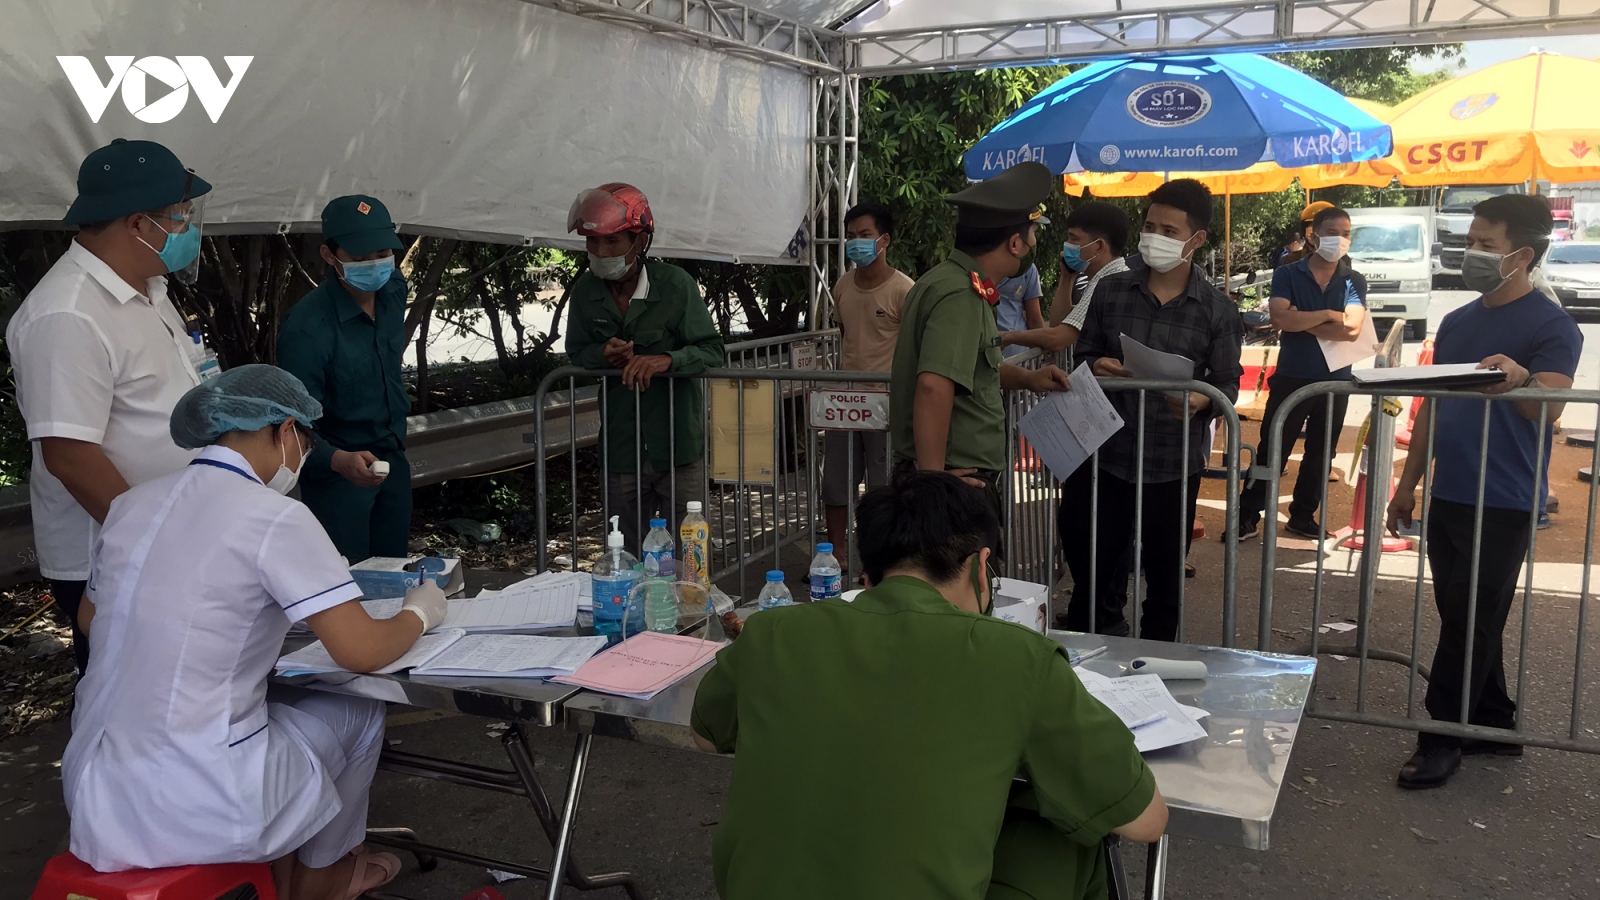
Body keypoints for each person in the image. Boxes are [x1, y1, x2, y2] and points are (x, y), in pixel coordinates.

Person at [62, 365, 450, 899]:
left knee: (273, 712)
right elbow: (361, 651)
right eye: (305, 442)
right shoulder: (275, 516)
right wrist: (421, 613)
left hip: (97, 789)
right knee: (357, 711)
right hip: (200, 798)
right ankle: (324, 878)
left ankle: (283, 875)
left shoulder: (132, 505)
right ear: (285, 429)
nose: (301, 455)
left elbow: (92, 619)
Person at [691, 470, 1167, 899]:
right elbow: (1145, 820)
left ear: (867, 577)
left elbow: (706, 736)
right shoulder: (1020, 657)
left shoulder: (773, 631)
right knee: (1070, 838)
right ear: (980, 567)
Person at [1385, 194, 1583, 790]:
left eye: (1485, 244)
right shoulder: (1457, 322)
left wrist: (1521, 380)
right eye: (1469, 241)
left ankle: (1441, 739)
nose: (1470, 252)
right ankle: (1494, 720)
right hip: (1450, 492)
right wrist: (1407, 485)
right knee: (1465, 614)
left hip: (1504, 500)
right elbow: (1432, 408)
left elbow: (1548, 410)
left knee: (1469, 620)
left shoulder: (1552, 326)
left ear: (1522, 256)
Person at [6, 138, 214, 675]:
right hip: (118, 556)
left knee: (183, 691)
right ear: (139, 224)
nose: (188, 228)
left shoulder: (149, 288)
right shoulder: (67, 315)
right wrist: (155, 542)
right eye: (180, 216)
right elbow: (71, 457)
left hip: (174, 539)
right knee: (131, 699)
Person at [1065, 179, 1244, 641]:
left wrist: (1203, 398)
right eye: (1149, 226)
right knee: (1094, 576)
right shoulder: (1110, 291)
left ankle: (1159, 669)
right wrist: (1097, 365)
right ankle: (1087, 665)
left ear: (1196, 239)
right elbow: (1084, 353)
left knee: (1165, 583)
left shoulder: (1217, 310)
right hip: (1107, 456)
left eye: (1169, 230)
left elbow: (1228, 381)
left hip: (1172, 464)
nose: (1154, 237)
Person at [889, 161, 1073, 556]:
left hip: (948, 477)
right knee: (964, 589)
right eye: (1032, 234)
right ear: (1014, 243)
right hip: (954, 483)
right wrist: (934, 487)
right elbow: (933, 385)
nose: (1033, 244)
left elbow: (969, 369)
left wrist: (1028, 379)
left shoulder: (947, 281)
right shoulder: (961, 295)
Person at [564, 183, 724, 552]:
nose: (601, 252)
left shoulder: (675, 286)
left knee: (689, 554)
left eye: (612, 241)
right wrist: (602, 353)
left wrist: (667, 360)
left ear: (640, 241)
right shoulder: (585, 292)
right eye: (593, 242)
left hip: (678, 446)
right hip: (622, 447)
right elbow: (577, 351)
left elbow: (712, 350)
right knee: (624, 552)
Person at [277, 195, 412, 562]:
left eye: (382, 253)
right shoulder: (306, 329)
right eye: (360, 258)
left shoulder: (393, 291)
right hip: (338, 478)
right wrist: (336, 460)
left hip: (392, 462)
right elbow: (293, 424)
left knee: (394, 574)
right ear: (329, 255)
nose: (375, 265)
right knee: (344, 580)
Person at [1235, 205, 1368, 541]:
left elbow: (1353, 329)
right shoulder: (1288, 273)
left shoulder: (1353, 280)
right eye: (1333, 232)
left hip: (1336, 379)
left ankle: (1303, 516)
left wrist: (1302, 320)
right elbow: (1280, 318)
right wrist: (1329, 314)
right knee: (1272, 447)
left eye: (1346, 233)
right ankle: (1248, 514)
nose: (1340, 239)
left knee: (1322, 454)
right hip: (1292, 376)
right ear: (1314, 235)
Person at [824, 201, 913, 557]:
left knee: (883, 487)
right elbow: (845, 333)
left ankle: (880, 559)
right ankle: (836, 555)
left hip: (885, 405)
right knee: (835, 481)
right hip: (844, 403)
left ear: (884, 240)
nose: (855, 243)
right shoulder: (842, 286)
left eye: (864, 235)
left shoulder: (904, 290)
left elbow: (913, 346)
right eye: (850, 236)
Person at [1000, 200, 1131, 355]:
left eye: (1074, 239)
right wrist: (1067, 276)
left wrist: (1007, 337)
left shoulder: (1109, 282)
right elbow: (1058, 323)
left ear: (1099, 247)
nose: (1067, 245)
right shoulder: (1105, 279)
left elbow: (1058, 338)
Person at [993, 261, 1045, 358]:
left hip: (1017, 355)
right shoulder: (977, 260)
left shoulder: (1027, 269)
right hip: (981, 352)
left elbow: (1034, 319)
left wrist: (1039, 354)